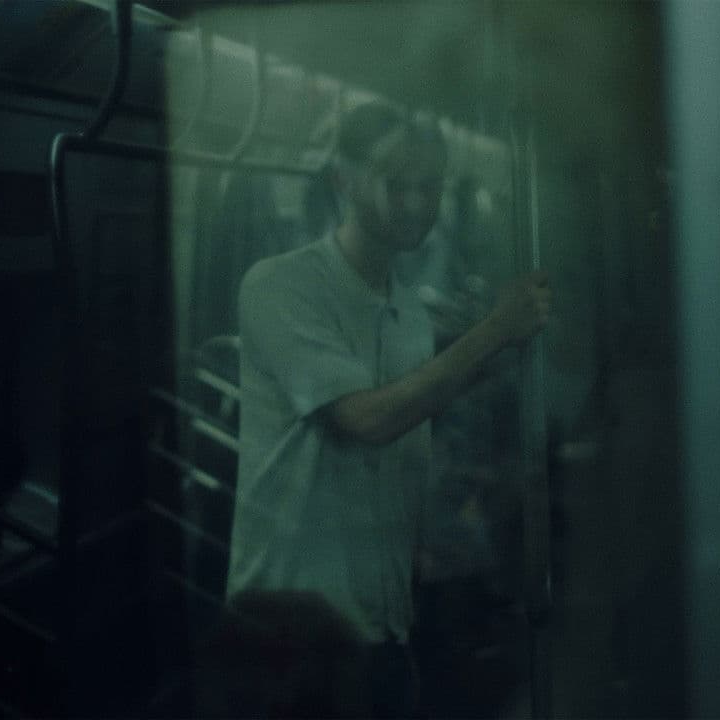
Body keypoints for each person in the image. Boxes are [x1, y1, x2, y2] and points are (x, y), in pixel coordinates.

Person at [226, 102, 550, 717]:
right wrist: (494, 331)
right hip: (287, 632)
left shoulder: (409, 315)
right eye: (396, 183)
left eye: (430, 186)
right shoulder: (280, 285)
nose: (416, 203)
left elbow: (401, 454)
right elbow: (367, 420)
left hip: (381, 631)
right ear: (342, 180)